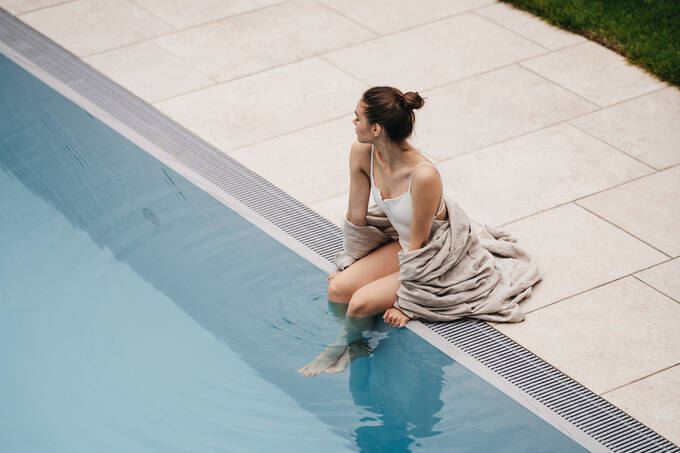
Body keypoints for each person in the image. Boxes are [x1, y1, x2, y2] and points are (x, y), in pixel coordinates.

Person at [299, 86, 445, 376]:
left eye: (358, 118)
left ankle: (336, 348)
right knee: (338, 289)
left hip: (432, 253)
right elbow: (356, 218)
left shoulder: (423, 175)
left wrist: (409, 303)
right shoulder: (362, 151)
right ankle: (355, 346)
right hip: (403, 244)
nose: (353, 123)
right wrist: (351, 263)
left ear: (376, 128)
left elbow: (421, 246)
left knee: (361, 303)